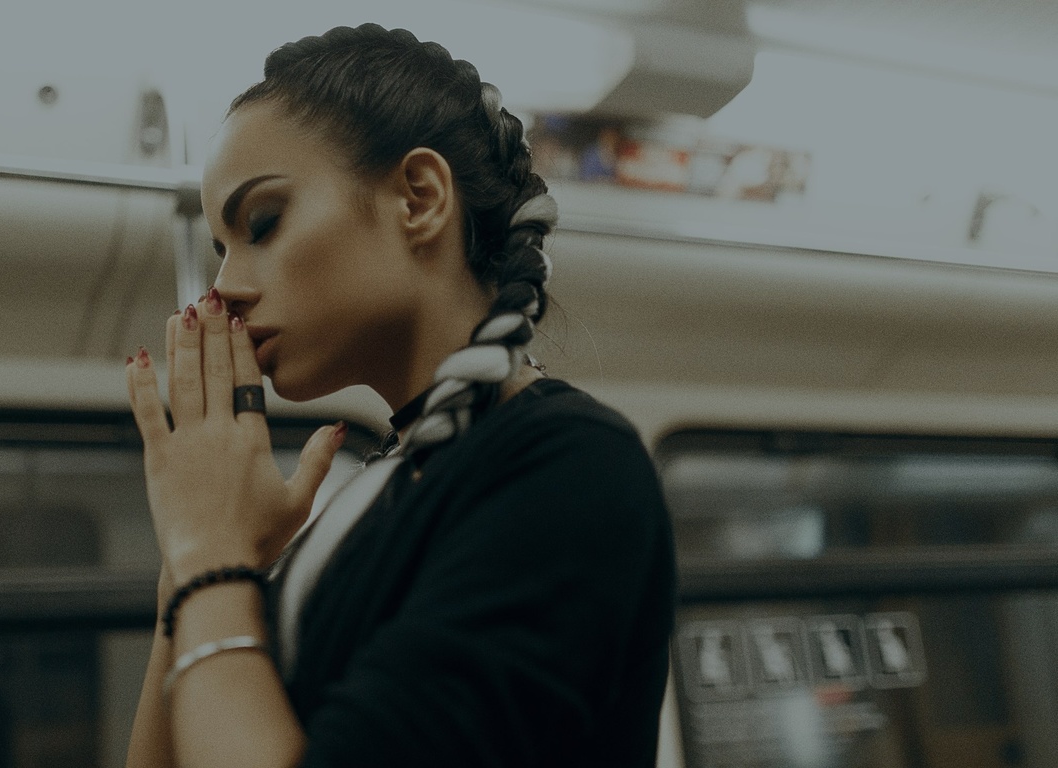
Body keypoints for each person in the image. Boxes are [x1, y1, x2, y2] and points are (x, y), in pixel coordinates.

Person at [122, 23, 675, 768]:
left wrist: (208, 558)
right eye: (221, 250)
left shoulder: (569, 467)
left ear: (418, 199)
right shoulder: (383, 481)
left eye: (263, 223)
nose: (225, 288)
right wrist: (191, 572)